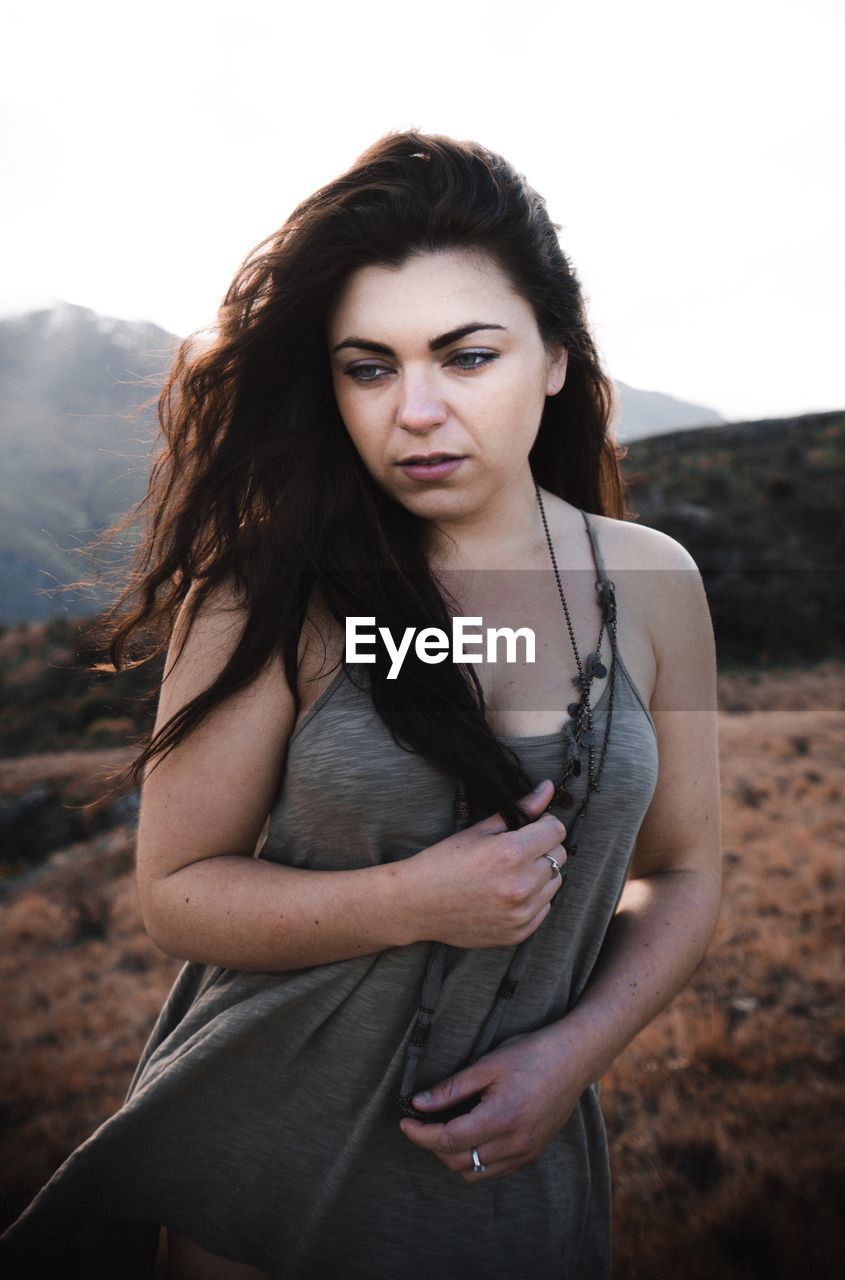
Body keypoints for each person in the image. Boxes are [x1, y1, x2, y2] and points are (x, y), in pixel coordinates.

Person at [0, 130, 722, 1279]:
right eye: (368, 366)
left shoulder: (648, 582)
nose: (414, 409)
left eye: (465, 356)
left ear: (551, 358)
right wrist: (412, 897)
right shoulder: (265, 591)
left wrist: (571, 1054)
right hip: (262, 1187)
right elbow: (175, 893)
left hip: (516, 1193)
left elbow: (683, 872)